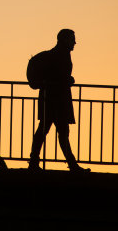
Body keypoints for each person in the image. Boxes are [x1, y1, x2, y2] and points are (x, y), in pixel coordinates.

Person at [28, 29, 90, 172]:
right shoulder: (59, 55)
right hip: (56, 100)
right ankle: (71, 165)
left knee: (46, 130)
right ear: (64, 40)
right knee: (56, 133)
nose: (75, 42)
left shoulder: (58, 54)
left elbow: (56, 76)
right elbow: (57, 76)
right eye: (72, 39)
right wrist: (68, 79)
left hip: (51, 99)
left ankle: (34, 161)